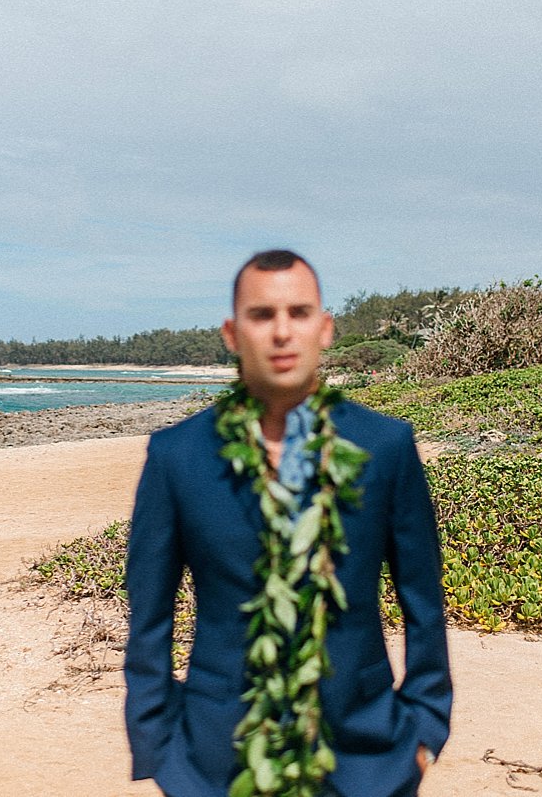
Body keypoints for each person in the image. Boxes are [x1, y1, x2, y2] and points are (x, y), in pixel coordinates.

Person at [123, 251, 452, 797]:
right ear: (231, 333)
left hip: (367, 759)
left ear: (325, 329)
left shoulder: (384, 447)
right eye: (261, 315)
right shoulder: (176, 457)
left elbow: (424, 602)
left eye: (299, 313)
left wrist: (423, 729)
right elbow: (149, 619)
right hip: (213, 762)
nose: (281, 332)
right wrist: (160, 749)